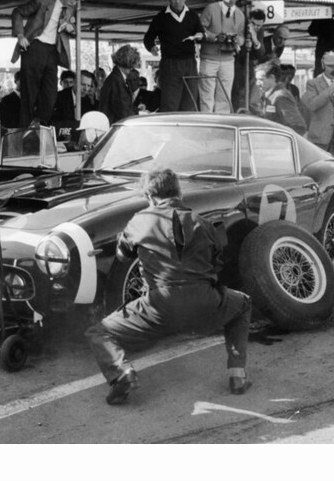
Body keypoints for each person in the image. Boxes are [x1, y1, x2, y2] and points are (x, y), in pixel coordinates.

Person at [85, 168, 253, 405]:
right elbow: (218, 265)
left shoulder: (138, 221)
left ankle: (121, 373)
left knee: (98, 331)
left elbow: (122, 257)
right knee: (243, 303)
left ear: (150, 197)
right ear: (179, 193)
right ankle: (237, 375)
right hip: (205, 305)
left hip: (159, 308)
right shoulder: (205, 224)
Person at [10, 0, 85, 128]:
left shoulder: (72, 8)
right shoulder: (43, 1)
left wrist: (71, 30)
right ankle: (25, 132)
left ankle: (38, 125)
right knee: (29, 95)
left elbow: (73, 29)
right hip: (34, 47)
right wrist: (20, 35)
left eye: (77, 1)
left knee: (51, 95)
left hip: (52, 51)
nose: (74, 3)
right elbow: (17, 12)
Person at [143, 0, 205, 112]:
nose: (177, 2)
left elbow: (201, 34)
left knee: (190, 102)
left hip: (190, 63)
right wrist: (151, 47)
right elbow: (148, 38)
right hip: (170, 64)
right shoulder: (161, 17)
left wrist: (200, 36)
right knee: (170, 102)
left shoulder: (192, 16)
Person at [198, 0, 245, 113]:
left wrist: (238, 40)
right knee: (207, 96)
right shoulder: (211, 9)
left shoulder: (240, 15)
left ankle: (222, 125)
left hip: (228, 60)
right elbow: (200, 30)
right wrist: (214, 37)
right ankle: (206, 123)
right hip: (209, 59)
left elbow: (241, 36)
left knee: (224, 96)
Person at [301, 51, 334, 160]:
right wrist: (330, 90)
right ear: (323, 66)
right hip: (319, 137)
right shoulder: (313, 83)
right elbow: (313, 105)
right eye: (330, 66)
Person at [253, 62, 307, 135]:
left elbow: (299, 127)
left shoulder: (281, 97)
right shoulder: (268, 95)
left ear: (272, 78)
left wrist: (280, 142)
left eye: (261, 80)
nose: (257, 83)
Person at [232, 8, 268, 113]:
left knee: (248, 96)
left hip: (248, 67)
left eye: (259, 25)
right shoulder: (240, 26)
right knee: (237, 95)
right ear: (249, 20)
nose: (256, 27)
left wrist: (255, 39)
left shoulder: (260, 30)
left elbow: (260, 53)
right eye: (254, 24)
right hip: (235, 64)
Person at [98, 44, 140, 125]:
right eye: (132, 64)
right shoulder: (116, 81)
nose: (133, 68)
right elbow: (123, 111)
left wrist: (137, 110)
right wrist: (140, 114)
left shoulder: (116, 78)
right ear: (127, 62)